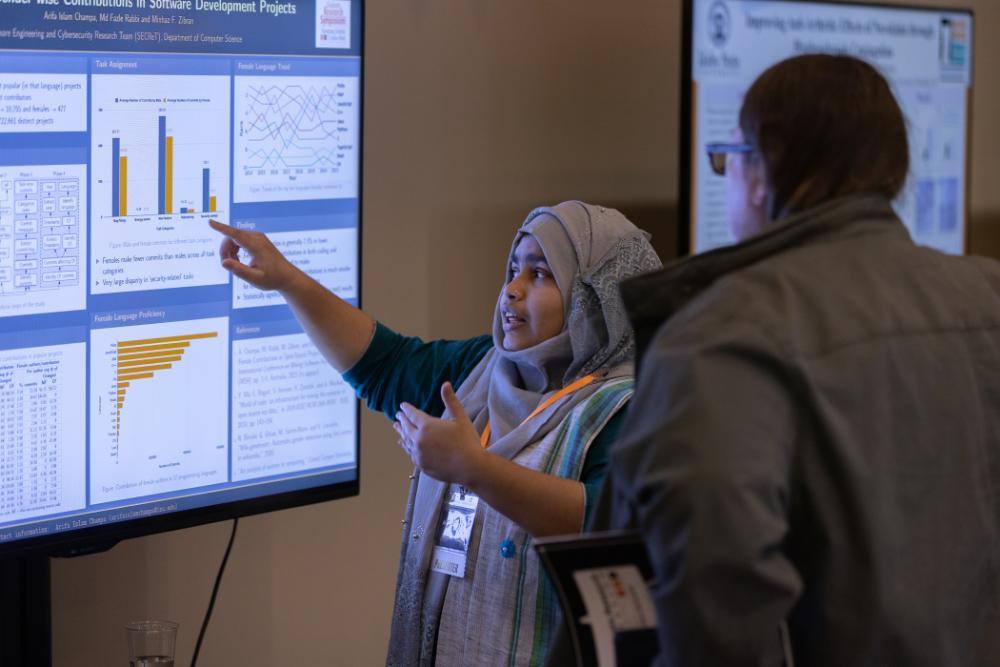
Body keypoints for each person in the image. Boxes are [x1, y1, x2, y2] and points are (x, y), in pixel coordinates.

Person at [587, 54, 1000, 665]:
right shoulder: (989, 298)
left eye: (727, 158)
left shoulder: (718, 336)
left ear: (762, 169)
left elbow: (717, 619)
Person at [209, 201, 661, 666]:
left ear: (596, 296)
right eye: (513, 269)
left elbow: (612, 525)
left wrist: (474, 469)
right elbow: (382, 364)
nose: (511, 290)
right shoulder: (482, 369)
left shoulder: (629, 405)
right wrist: (288, 280)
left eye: (541, 275)